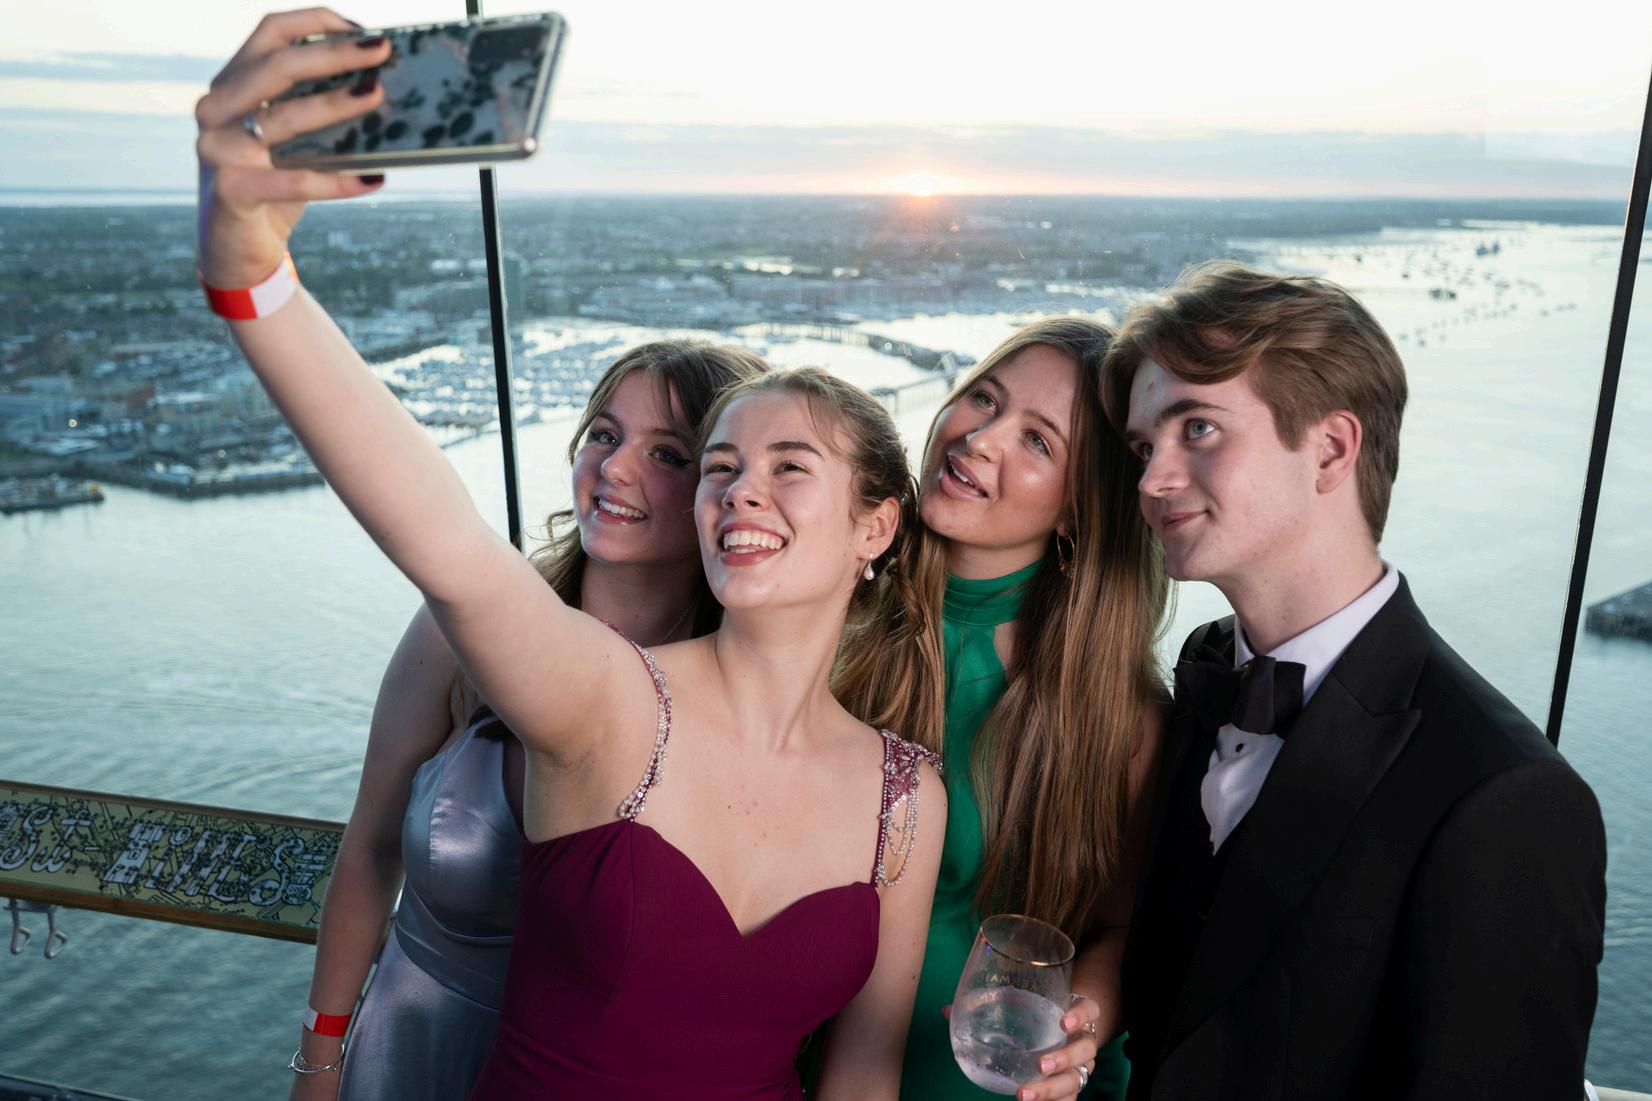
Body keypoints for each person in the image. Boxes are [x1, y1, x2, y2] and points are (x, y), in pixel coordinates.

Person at [196, 16, 944, 1098]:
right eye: (721, 466)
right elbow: (448, 543)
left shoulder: (905, 797)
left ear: (875, 527)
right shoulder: (612, 702)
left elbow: (864, 1070)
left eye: (789, 466)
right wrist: (253, 276)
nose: (740, 489)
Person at [1104, 261, 1607, 1099]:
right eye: (1143, 446)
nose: (1152, 480)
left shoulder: (1504, 797)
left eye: (1197, 428)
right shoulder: (1203, 673)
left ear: (1332, 449)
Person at [290, 340, 768, 1101]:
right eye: (604, 434)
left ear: (723, 490)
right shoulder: (454, 633)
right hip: (406, 1059)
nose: (614, 468)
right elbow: (371, 848)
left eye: (667, 454)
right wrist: (319, 1060)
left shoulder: (742, 701)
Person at [834, 318, 1170, 1101]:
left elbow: (1122, 932)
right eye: (984, 398)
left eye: (1037, 440)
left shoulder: (1123, 715)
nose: (980, 439)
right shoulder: (832, 614)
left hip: (1002, 1085)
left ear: (1080, 509)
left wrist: (1079, 1029)